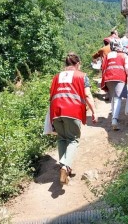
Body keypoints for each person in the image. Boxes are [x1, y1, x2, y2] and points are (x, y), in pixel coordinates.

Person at [49, 53, 98, 184]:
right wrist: (94, 111)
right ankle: (65, 165)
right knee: (73, 140)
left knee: (61, 138)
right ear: (77, 64)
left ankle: (64, 168)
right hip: (72, 111)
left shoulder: (56, 76)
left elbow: (52, 94)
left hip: (56, 111)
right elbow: (87, 95)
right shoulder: (82, 76)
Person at [101, 39, 128, 130]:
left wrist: (103, 80)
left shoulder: (107, 56)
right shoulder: (124, 55)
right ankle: (114, 120)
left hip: (108, 78)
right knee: (118, 98)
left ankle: (113, 118)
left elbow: (103, 68)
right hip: (119, 78)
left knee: (113, 98)